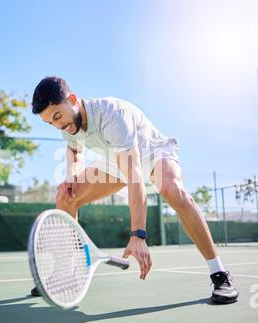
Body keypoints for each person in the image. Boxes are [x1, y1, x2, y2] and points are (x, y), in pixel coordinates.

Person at [30, 76, 238, 304]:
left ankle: (219, 273)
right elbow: (74, 151)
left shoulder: (112, 115)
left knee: (174, 192)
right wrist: (70, 177)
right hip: (115, 161)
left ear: (72, 99)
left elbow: (134, 177)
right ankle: (67, 272)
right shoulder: (67, 125)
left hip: (154, 153)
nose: (58, 125)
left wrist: (138, 234)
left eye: (57, 116)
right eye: (50, 122)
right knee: (65, 196)